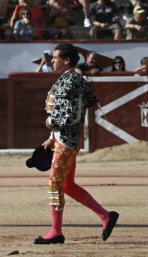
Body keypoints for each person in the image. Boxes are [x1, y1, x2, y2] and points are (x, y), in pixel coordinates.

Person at [37, 42, 120, 245]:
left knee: (55, 183)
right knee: (67, 185)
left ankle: (56, 232)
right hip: (67, 139)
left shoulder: (69, 81)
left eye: (55, 58)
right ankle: (105, 216)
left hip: (67, 140)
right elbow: (84, 105)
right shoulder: (75, 79)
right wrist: (52, 137)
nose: (52, 61)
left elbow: (70, 116)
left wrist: (50, 124)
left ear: (66, 60)